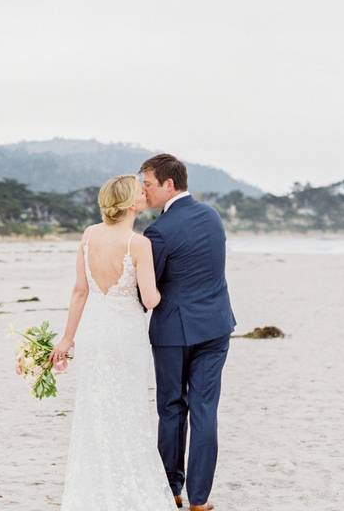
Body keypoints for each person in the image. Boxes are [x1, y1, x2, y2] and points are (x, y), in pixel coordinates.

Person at [51, 174, 178, 511]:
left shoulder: (89, 236)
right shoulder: (138, 243)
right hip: (125, 336)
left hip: (94, 330)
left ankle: (92, 490)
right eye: (139, 191)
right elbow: (150, 299)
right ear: (129, 203)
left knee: (94, 406)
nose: (144, 193)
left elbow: (80, 291)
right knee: (130, 408)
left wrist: (67, 338)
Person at [139, 153, 237, 511]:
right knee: (205, 409)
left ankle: (171, 490)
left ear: (168, 184)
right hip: (215, 326)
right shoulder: (212, 216)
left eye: (147, 184)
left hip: (174, 331)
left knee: (171, 408)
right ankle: (200, 498)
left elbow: (149, 289)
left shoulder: (158, 232)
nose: (143, 191)